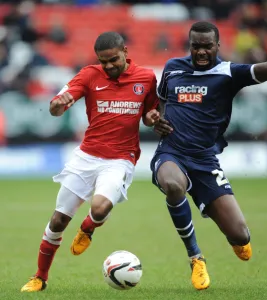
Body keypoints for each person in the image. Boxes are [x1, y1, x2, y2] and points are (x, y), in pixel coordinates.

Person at [151, 20, 267, 290]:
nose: (202, 52)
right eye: (196, 46)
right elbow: (160, 103)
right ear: (190, 45)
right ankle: (196, 257)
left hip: (205, 160)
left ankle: (218, 216)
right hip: (172, 152)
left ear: (218, 45)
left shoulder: (228, 73)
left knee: (241, 237)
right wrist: (157, 119)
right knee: (173, 185)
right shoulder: (172, 68)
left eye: (207, 46)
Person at [21, 31, 159, 292]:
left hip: (120, 158)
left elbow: (151, 114)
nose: (108, 66)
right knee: (58, 221)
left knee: (98, 208)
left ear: (125, 52)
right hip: (86, 157)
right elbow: (57, 105)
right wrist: (58, 104)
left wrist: (153, 117)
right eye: (103, 61)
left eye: (113, 60)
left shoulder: (146, 77)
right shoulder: (88, 75)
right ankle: (39, 277)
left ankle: (88, 228)